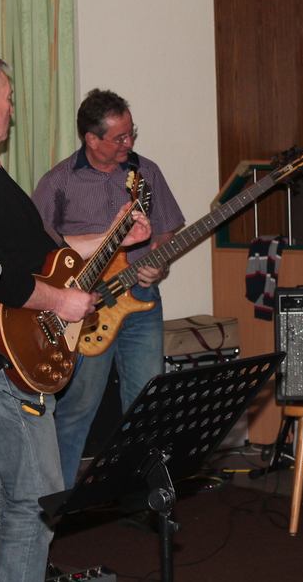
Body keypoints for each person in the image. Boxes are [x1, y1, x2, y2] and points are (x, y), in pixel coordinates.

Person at [0, 52, 151, 582]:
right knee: (35, 501)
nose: (12, 108)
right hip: (5, 364)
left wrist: (113, 236)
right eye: (7, 98)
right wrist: (60, 303)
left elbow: (41, 253)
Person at [32, 88, 185, 485]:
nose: (128, 143)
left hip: (142, 300)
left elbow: (167, 229)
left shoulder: (146, 172)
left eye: (131, 133)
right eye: (119, 137)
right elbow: (36, 252)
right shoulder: (57, 182)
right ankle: (58, 501)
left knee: (146, 404)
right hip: (88, 308)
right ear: (91, 139)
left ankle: (142, 493)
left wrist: (159, 260)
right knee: (78, 408)